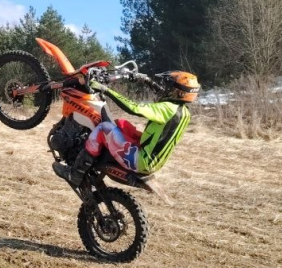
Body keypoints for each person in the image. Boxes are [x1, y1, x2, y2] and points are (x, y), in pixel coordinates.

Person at [52, 71, 200, 186]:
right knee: (122, 124)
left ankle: (75, 173)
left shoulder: (167, 108)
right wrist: (146, 80)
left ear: (179, 93)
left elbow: (133, 108)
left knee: (104, 128)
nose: (165, 89)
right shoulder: (184, 112)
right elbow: (162, 94)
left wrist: (106, 90)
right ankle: (99, 155)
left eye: (170, 87)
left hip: (140, 160)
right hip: (153, 159)